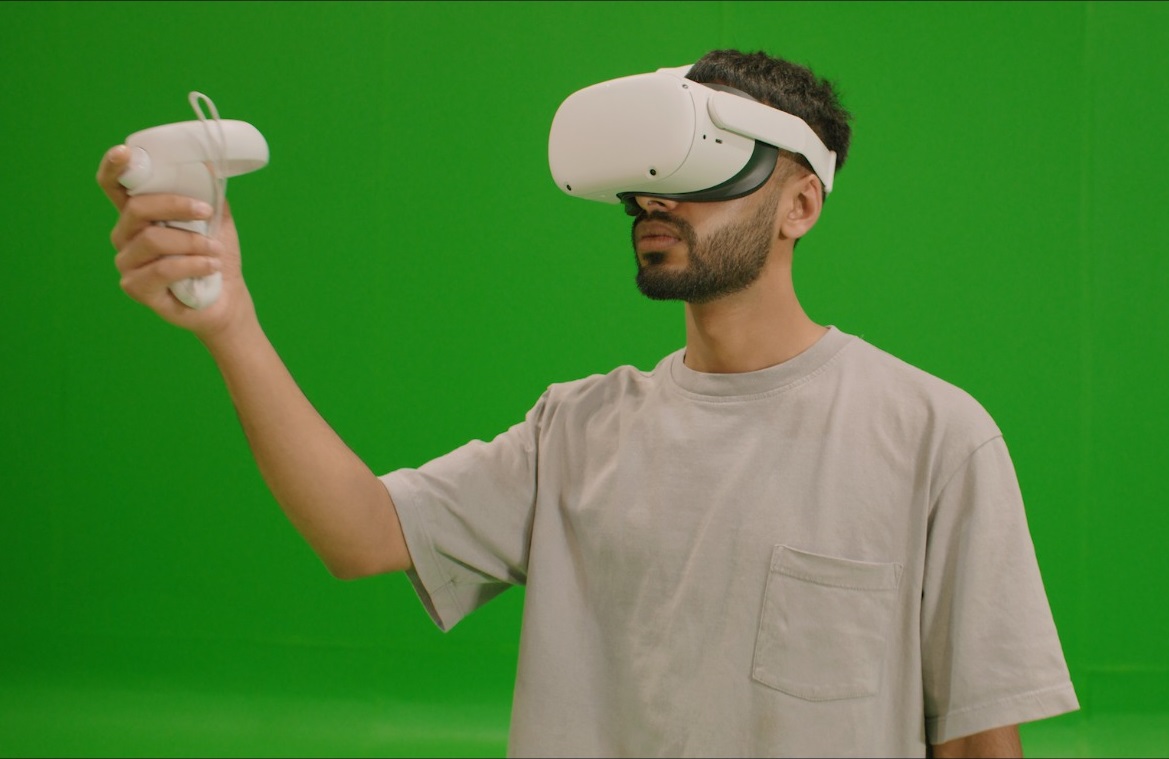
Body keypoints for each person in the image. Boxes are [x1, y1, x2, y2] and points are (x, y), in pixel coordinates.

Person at [98, 49, 1078, 758]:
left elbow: (982, 741)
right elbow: (359, 536)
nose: (655, 205)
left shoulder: (934, 435)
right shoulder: (577, 429)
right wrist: (232, 323)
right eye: (644, 188)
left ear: (801, 206)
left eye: (695, 179)